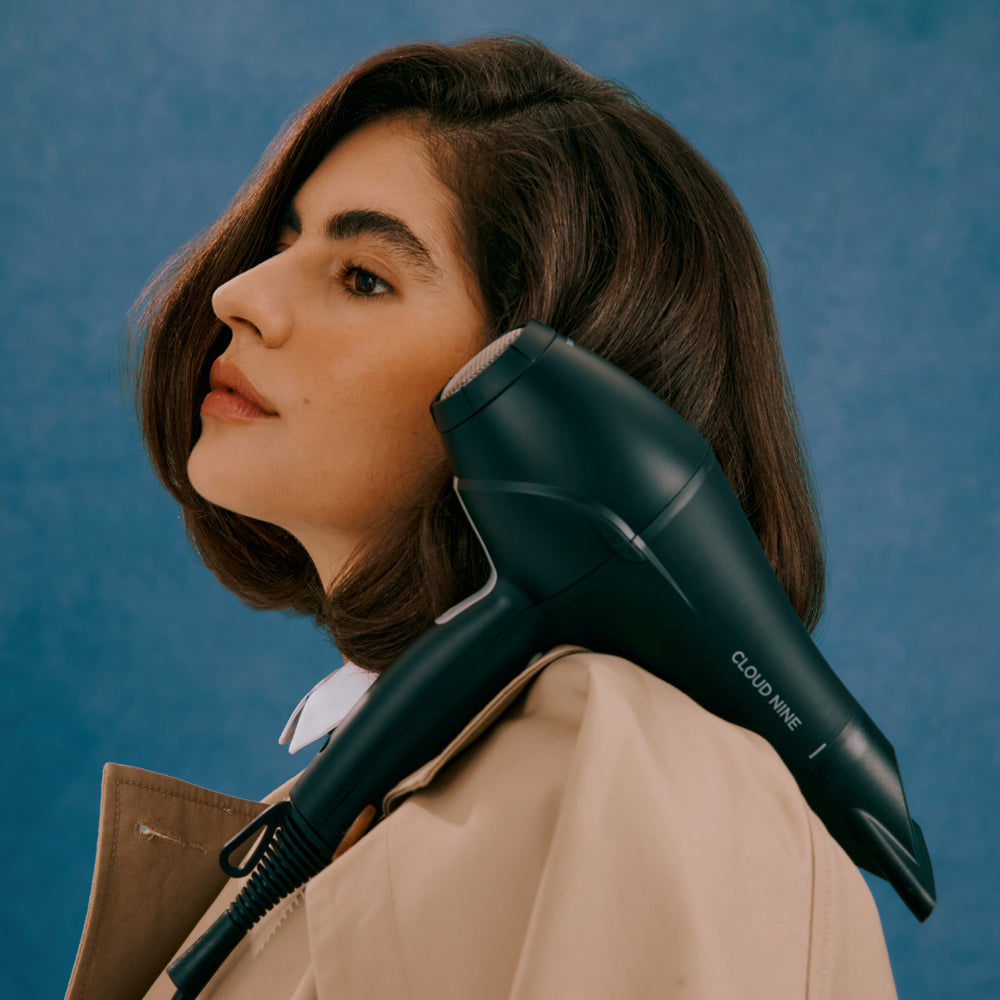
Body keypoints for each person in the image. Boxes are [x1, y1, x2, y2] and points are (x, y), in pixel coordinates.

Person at [66, 36, 899, 1000]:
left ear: (562, 409)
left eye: (363, 277)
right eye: (285, 242)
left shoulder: (644, 771)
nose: (238, 293)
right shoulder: (375, 808)